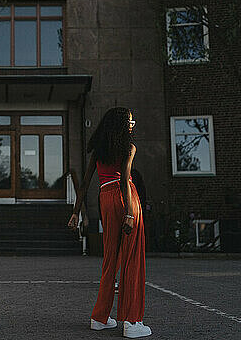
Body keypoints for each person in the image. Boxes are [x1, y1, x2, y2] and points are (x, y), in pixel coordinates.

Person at [68, 107, 151, 338]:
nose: (133, 125)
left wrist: (76, 213)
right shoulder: (128, 148)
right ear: (122, 125)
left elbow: (84, 184)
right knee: (132, 258)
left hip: (105, 198)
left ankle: (100, 317)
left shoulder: (98, 150)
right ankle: (132, 322)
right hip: (125, 198)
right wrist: (129, 213)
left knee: (110, 259)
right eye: (130, 122)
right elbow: (125, 179)